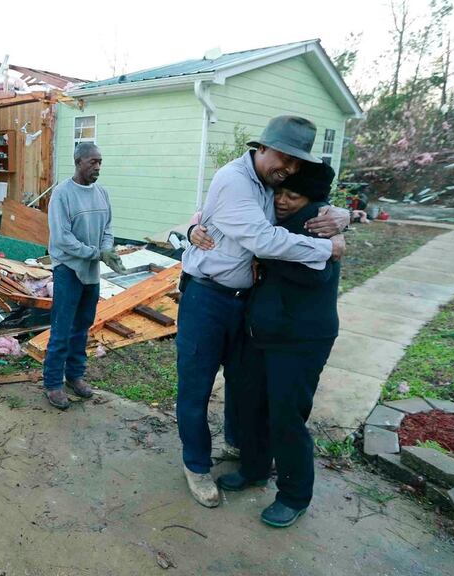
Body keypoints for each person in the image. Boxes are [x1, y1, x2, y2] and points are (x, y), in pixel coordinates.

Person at [177, 115, 348, 508]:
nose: (287, 168)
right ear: (262, 147)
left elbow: (310, 202)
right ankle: (196, 465)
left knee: (243, 385)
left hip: (245, 301)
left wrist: (343, 217)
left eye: (295, 163)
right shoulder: (236, 179)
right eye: (283, 157)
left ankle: (239, 447)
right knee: (196, 386)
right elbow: (263, 239)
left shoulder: (271, 185)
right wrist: (329, 249)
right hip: (207, 298)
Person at [216, 161, 341, 528]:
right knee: (249, 404)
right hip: (264, 334)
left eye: (293, 195)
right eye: (280, 192)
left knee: (286, 417)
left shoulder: (318, 222)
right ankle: (254, 469)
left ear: (312, 199)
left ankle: (294, 495)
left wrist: (263, 253)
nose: (283, 201)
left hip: (301, 340)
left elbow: (317, 273)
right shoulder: (275, 219)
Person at [43, 143, 126, 409]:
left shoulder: (102, 193)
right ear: (78, 162)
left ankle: (75, 376)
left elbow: (109, 228)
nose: (98, 167)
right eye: (93, 162)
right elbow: (62, 239)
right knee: (62, 328)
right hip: (68, 269)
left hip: (91, 271)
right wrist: (96, 254)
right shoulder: (62, 194)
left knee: (82, 326)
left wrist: (106, 250)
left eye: (100, 162)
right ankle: (53, 383)